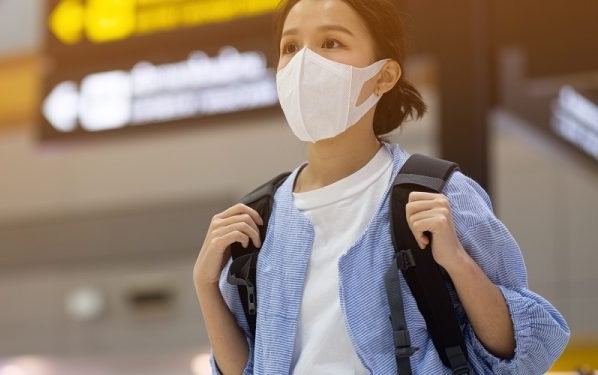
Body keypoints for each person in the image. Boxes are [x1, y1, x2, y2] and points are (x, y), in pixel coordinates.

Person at [192, 0, 570, 373]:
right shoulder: (260, 219)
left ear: (384, 76)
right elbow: (247, 370)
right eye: (290, 47)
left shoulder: (439, 194)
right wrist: (206, 287)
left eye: (331, 43)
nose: (305, 62)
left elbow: (524, 352)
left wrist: (458, 262)